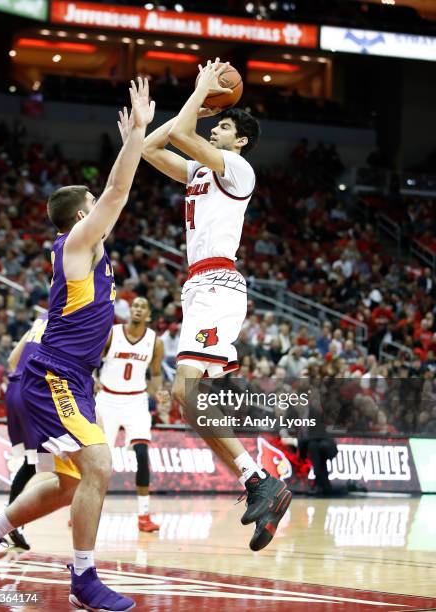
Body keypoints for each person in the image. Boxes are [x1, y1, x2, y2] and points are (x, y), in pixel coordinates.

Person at [0, 77, 155, 611]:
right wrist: (135, 137)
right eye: (93, 204)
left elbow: (115, 196)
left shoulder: (90, 252)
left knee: (67, 485)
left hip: (69, 377)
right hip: (52, 375)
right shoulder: (76, 243)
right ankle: (83, 580)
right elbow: (119, 191)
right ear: (82, 215)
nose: (103, 208)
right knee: (99, 466)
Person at [141, 58, 292, 551]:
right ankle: (257, 483)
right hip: (199, 290)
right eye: (217, 123)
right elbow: (148, 147)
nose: (216, 127)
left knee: (186, 396)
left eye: (224, 125)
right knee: (189, 404)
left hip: (218, 285)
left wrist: (201, 94)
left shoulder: (239, 169)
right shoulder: (198, 170)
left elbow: (183, 131)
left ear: (241, 140)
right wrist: (200, 104)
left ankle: (260, 480)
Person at [96, 297, 164, 533]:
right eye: (135, 306)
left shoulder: (155, 341)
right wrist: (92, 379)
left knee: (143, 453)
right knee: (98, 461)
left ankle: (144, 515)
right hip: (107, 399)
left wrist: (161, 397)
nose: (137, 309)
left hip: (136, 400)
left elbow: (155, 375)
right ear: (129, 311)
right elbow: (94, 359)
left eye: (142, 307)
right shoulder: (112, 333)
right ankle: (88, 509)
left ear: (148, 315)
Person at [4, 313, 48, 551]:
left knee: (36, 463)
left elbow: (12, 360)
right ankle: (7, 521)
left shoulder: (40, 318)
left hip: (13, 390)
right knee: (45, 465)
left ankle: (10, 521)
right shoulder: (69, 321)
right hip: (32, 392)